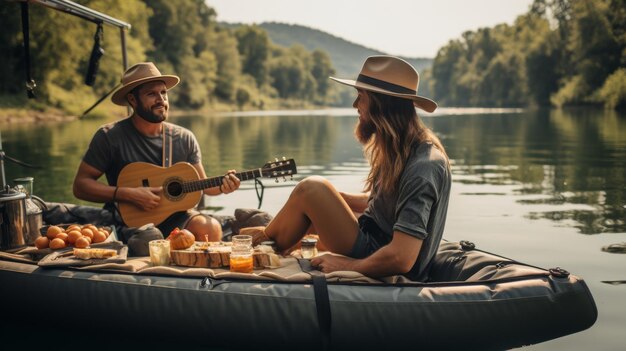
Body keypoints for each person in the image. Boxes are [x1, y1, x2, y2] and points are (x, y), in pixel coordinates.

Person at [241, 56, 451, 281]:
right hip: (372, 239)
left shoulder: (424, 167)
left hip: (383, 256)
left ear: (382, 105)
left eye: (361, 97)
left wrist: (349, 265)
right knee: (316, 197)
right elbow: (382, 201)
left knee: (312, 188)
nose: (355, 105)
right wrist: (336, 199)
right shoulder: (403, 149)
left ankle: (259, 244)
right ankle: (263, 244)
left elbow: (402, 257)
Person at [73, 62, 241, 250]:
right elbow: (81, 186)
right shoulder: (109, 136)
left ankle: (199, 277)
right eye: (151, 94)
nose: (161, 99)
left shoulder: (184, 138)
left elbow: (204, 185)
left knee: (209, 226)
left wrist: (225, 186)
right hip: (131, 221)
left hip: (176, 217)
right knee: (151, 239)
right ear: (132, 100)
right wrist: (127, 194)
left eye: (163, 92)